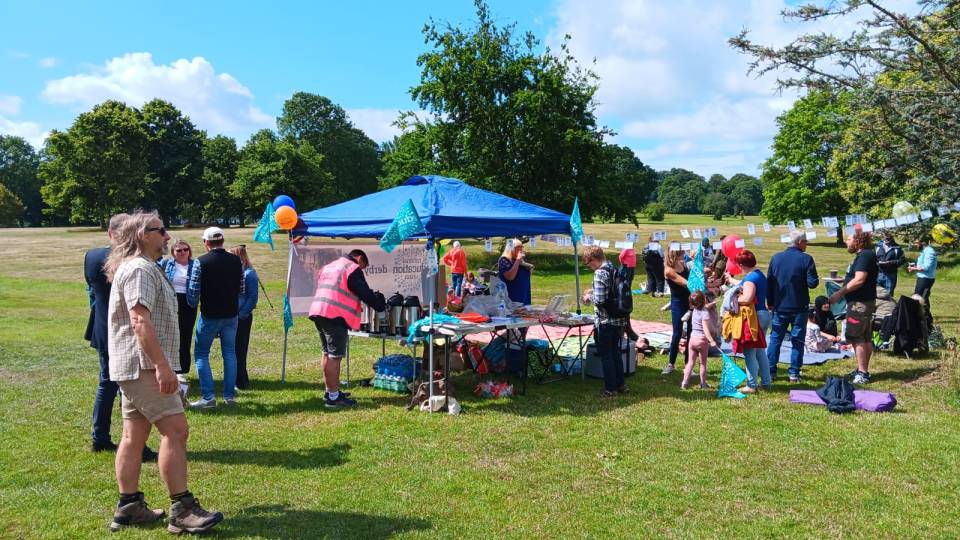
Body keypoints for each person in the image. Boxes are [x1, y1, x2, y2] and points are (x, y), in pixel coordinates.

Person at [104, 211, 222, 533]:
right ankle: (182, 509)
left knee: (133, 435)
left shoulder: (140, 267)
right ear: (143, 234)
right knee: (176, 430)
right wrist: (161, 365)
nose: (168, 237)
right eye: (162, 230)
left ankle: (129, 507)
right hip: (143, 365)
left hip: (132, 365)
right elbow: (139, 320)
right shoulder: (141, 268)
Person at [85, 214, 158, 461]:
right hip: (124, 331)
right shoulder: (132, 262)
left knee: (106, 383)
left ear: (110, 233)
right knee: (129, 387)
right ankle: (136, 443)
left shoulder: (92, 256)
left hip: (101, 328)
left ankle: (100, 437)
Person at [308, 249, 386, 407]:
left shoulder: (330, 266)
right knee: (335, 356)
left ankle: (330, 391)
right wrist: (379, 305)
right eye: (363, 266)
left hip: (318, 310)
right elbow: (363, 291)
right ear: (359, 258)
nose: (362, 270)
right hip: (334, 314)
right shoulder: (351, 267)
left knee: (327, 353)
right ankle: (334, 398)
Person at [190, 227, 244, 409]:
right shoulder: (236, 260)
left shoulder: (200, 262)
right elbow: (241, 288)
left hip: (210, 314)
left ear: (206, 242)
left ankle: (208, 397)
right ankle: (229, 396)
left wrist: (191, 305)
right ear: (222, 241)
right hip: (231, 314)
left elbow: (193, 291)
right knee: (229, 353)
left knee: (201, 354)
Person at [766, 230, 819, 383]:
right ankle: (794, 373)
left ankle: (771, 370)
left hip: (780, 305)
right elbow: (812, 283)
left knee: (776, 338)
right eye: (806, 242)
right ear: (800, 242)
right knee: (797, 340)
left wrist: (770, 302)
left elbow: (770, 282)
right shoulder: (806, 259)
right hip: (799, 306)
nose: (807, 245)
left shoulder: (776, 258)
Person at [829, 231, 879, 385]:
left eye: (849, 239)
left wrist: (840, 292)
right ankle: (861, 369)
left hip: (859, 304)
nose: (846, 242)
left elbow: (859, 280)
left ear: (858, 241)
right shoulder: (866, 255)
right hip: (863, 302)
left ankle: (863, 373)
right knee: (865, 337)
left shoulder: (864, 256)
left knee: (857, 337)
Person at [581, 246, 629, 396]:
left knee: (606, 354)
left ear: (593, 259)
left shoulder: (600, 272)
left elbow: (600, 300)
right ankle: (621, 384)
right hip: (619, 318)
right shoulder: (614, 268)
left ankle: (610, 388)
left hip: (605, 320)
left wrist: (589, 297)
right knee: (615, 352)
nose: (589, 267)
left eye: (589, 264)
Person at [159, 240, 201, 378]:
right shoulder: (166, 264)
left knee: (185, 336)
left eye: (185, 249)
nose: (183, 252)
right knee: (169, 335)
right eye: (179, 250)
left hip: (188, 304)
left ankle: (181, 370)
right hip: (170, 302)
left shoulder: (195, 265)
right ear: (173, 253)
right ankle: (169, 368)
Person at [731, 250, 771, 392]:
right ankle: (766, 382)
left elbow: (747, 298)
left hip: (754, 318)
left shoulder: (750, 279)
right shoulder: (758, 274)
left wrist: (733, 299)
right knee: (760, 351)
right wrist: (731, 281)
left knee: (749, 352)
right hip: (764, 315)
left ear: (741, 264)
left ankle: (751, 385)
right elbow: (745, 283)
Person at [229, 245, 259, 390]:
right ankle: (238, 378)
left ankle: (240, 381)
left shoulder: (249, 274)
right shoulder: (237, 273)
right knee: (233, 349)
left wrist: (241, 315)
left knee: (240, 349)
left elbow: (252, 298)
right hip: (233, 316)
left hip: (242, 318)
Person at [661, 247, 690, 374]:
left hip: (689, 302)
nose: (684, 253)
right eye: (681, 251)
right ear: (675, 253)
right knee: (677, 333)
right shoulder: (668, 270)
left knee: (691, 332)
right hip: (678, 303)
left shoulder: (682, 264)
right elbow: (686, 283)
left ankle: (688, 365)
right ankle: (671, 364)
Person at [680, 291, 715, 390]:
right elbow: (706, 329)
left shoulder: (694, 310)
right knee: (703, 363)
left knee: (690, 362)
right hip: (702, 341)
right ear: (703, 300)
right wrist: (711, 340)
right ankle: (703, 384)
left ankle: (684, 383)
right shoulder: (705, 313)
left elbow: (702, 307)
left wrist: (709, 305)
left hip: (692, 339)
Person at [498, 238, 533, 305]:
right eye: (518, 247)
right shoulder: (504, 260)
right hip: (512, 297)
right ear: (511, 248)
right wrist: (518, 260)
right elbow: (510, 277)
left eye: (521, 247)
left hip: (524, 296)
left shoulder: (520, 261)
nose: (520, 249)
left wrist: (527, 266)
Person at [908, 235, 937, 302]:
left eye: (917, 243)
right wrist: (914, 266)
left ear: (923, 243)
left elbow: (926, 267)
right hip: (922, 278)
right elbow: (923, 264)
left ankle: (924, 312)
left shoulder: (930, 252)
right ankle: (921, 312)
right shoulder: (924, 251)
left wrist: (913, 269)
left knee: (921, 299)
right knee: (919, 298)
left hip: (926, 279)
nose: (915, 244)